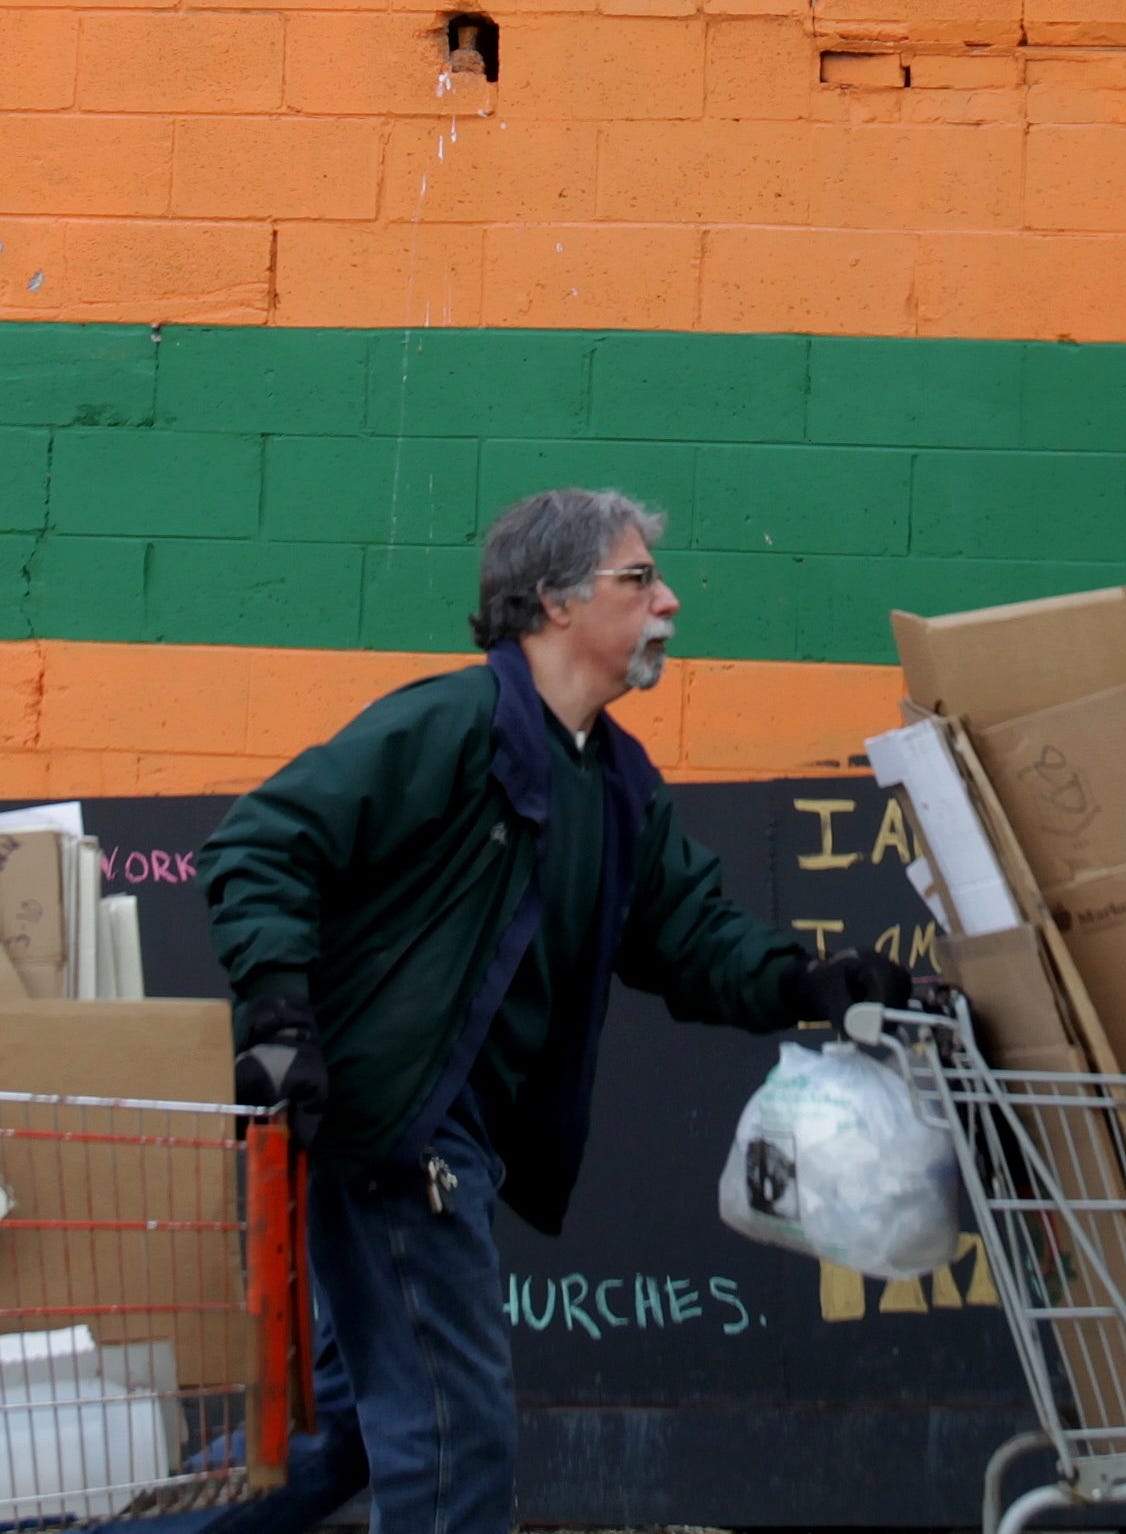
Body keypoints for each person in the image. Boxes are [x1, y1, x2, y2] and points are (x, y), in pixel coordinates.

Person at [196, 487, 910, 1534]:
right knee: (457, 1436)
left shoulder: (616, 782)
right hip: (401, 1134)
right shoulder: (450, 723)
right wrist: (277, 1020)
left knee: (344, 1434)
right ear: (555, 601)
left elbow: (690, 935)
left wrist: (811, 982)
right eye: (639, 578)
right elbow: (260, 842)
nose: (667, 600)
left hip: (454, 1140)